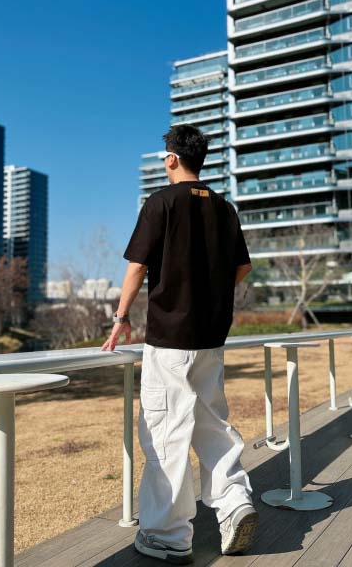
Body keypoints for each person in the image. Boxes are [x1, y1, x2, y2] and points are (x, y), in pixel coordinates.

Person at [101, 124, 258, 564]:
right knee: (212, 426)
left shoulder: (161, 202)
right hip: (211, 339)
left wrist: (120, 320)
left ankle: (167, 536)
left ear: (171, 158)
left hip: (170, 339)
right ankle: (234, 503)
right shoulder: (224, 208)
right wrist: (211, 294)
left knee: (165, 433)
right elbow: (243, 267)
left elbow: (137, 267)